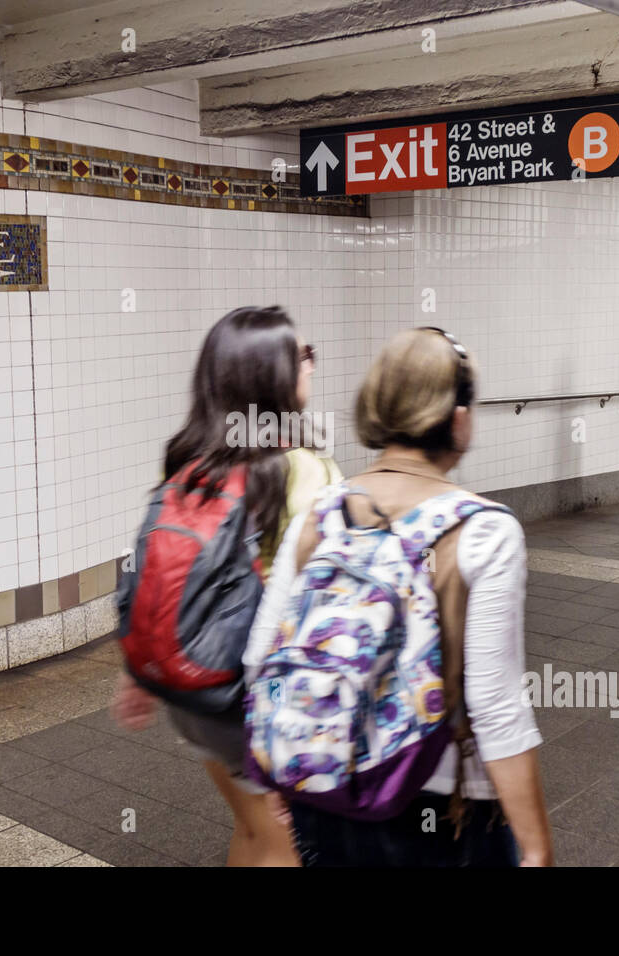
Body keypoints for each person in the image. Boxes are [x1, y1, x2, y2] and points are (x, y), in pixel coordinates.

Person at [245, 327, 553, 867]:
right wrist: (536, 849)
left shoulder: (322, 511)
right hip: (442, 811)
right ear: (458, 417)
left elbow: (259, 657)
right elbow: (496, 706)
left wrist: (278, 763)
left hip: (326, 788)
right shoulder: (483, 529)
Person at [110, 305, 341, 867]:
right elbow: (312, 607)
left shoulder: (191, 458)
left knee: (251, 829)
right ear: (274, 374)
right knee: (285, 844)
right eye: (304, 355)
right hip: (253, 696)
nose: (313, 366)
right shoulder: (304, 470)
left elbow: (168, 570)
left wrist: (138, 671)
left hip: (192, 688)